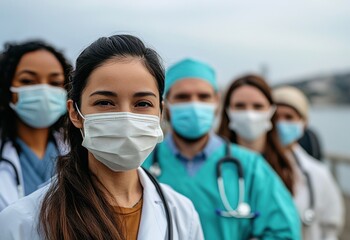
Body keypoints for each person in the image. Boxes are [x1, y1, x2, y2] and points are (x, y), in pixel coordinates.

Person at [0, 35, 203, 240]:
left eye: (142, 104)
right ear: (75, 113)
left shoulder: (182, 215)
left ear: (160, 112)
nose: (126, 117)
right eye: (105, 102)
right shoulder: (22, 222)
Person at [143, 58, 301, 240]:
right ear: (166, 104)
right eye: (182, 97)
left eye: (203, 97)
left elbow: (284, 232)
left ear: (217, 102)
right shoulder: (142, 163)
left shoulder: (251, 167)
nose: (194, 105)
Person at [0, 40, 72, 211]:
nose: (43, 91)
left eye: (54, 83)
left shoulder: (77, 150)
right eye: (27, 81)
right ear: (6, 88)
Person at [273, 86, 344, 240]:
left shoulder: (318, 173)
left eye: (289, 117)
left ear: (303, 123)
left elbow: (330, 227)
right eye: (275, 117)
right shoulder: (253, 167)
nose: (281, 123)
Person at [217, 74, 295, 194]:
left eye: (258, 106)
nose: (249, 114)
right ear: (227, 111)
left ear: (271, 111)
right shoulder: (214, 161)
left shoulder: (290, 166)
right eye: (240, 106)